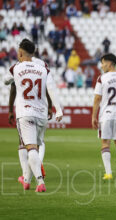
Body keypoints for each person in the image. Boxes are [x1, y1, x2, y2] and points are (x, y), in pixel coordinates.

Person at [7, 39, 63, 192]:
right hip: (41, 114)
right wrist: (57, 109)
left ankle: (37, 181)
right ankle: (29, 177)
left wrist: (11, 79)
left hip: (25, 113)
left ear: (20, 52)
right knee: (36, 146)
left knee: (29, 147)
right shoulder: (43, 68)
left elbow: (7, 81)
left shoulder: (17, 67)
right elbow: (51, 88)